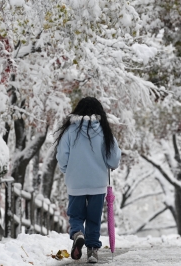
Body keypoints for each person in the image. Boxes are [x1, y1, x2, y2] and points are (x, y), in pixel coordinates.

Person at [55, 97, 121, 263]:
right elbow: (114, 158)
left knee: (76, 215)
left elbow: (62, 155)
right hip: (98, 183)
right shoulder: (104, 131)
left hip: (75, 182)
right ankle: (92, 250)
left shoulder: (70, 131)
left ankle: (77, 233)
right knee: (94, 218)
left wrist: (66, 169)